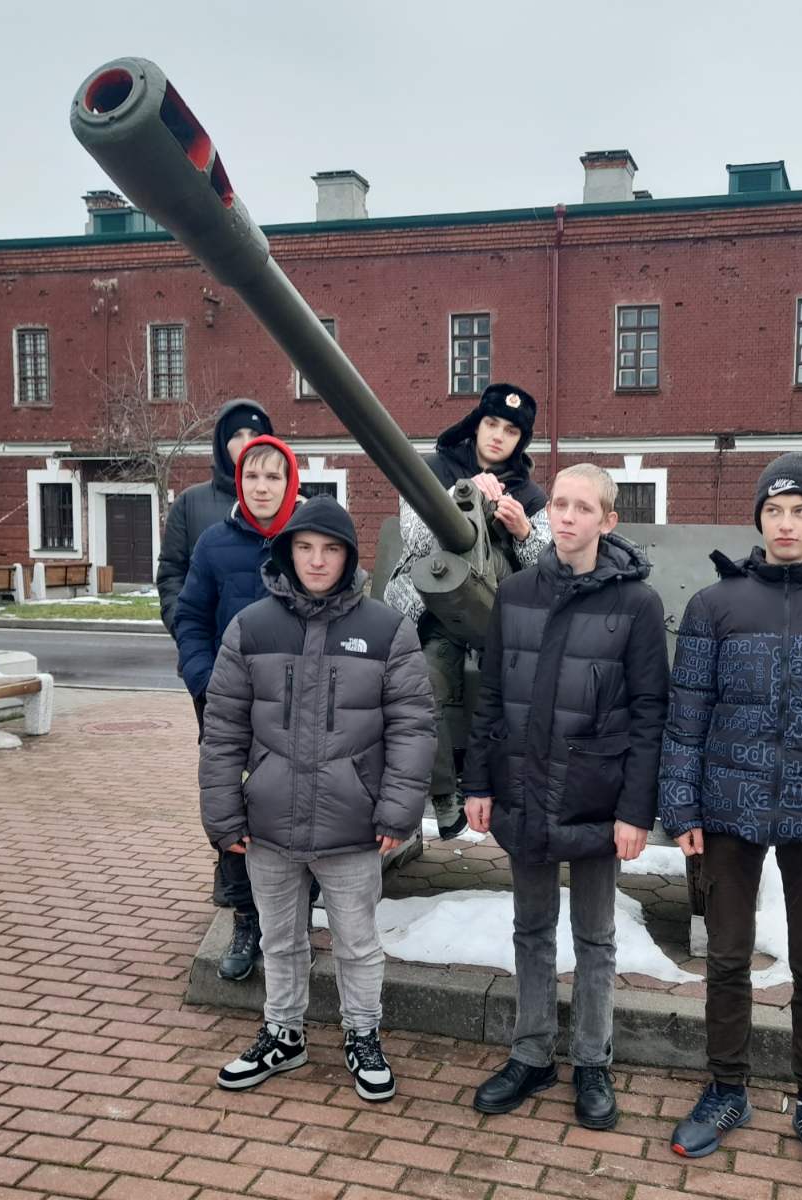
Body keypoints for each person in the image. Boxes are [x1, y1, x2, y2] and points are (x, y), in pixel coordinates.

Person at [658, 453, 802, 1185]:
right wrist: (680, 804)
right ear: (758, 519)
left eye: (800, 511)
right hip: (727, 811)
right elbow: (686, 718)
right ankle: (727, 1088)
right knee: (727, 959)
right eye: (774, 510)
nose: (786, 524)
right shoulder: (715, 606)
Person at [200, 495, 436, 1102]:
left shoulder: (386, 629)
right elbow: (223, 728)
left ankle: (363, 1034)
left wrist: (397, 810)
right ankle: (283, 1033)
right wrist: (223, 812)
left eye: (330, 549)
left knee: (357, 942)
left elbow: (413, 727)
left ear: (348, 557)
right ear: (287, 551)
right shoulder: (251, 627)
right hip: (269, 819)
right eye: (304, 547)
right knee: (279, 939)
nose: (316, 560)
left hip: (352, 822)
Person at [462, 464, 668, 1131]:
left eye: (583, 507)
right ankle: (531, 1053)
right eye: (559, 504)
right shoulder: (516, 594)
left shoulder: (637, 605)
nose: (568, 517)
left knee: (595, 936)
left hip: (595, 795)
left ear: (609, 521)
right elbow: (491, 695)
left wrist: (635, 810)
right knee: (530, 929)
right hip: (524, 788)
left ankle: (591, 1060)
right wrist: (478, 782)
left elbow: (650, 714)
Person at [382, 383, 553, 839]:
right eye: (491, 424)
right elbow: (416, 540)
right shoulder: (433, 470)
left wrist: (523, 531)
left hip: (495, 615)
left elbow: (547, 566)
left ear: (521, 440)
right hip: (433, 612)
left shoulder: (529, 494)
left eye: (511, 431)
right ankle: (443, 794)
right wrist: (462, 497)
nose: (498, 436)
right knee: (422, 688)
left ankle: (515, 795)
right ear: (476, 425)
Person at [174, 435, 300, 981]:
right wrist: (204, 681)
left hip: (295, 706)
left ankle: (292, 919)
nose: (262, 487)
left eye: (273, 476)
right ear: (239, 482)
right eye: (252, 476)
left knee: (294, 806)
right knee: (233, 809)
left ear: (290, 482)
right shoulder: (214, 544)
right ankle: (245, 919)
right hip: (229, 703)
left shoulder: (309, 541)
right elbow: (191, 617)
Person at [158, 399, 275, 650]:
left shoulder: (290, 504)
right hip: (211, 656)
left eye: (255, 434)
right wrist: (189, 636)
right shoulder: (189, 503)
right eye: (237, 435)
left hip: (274, 657)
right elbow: (171, 575)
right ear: (222, 443)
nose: (247, 443)